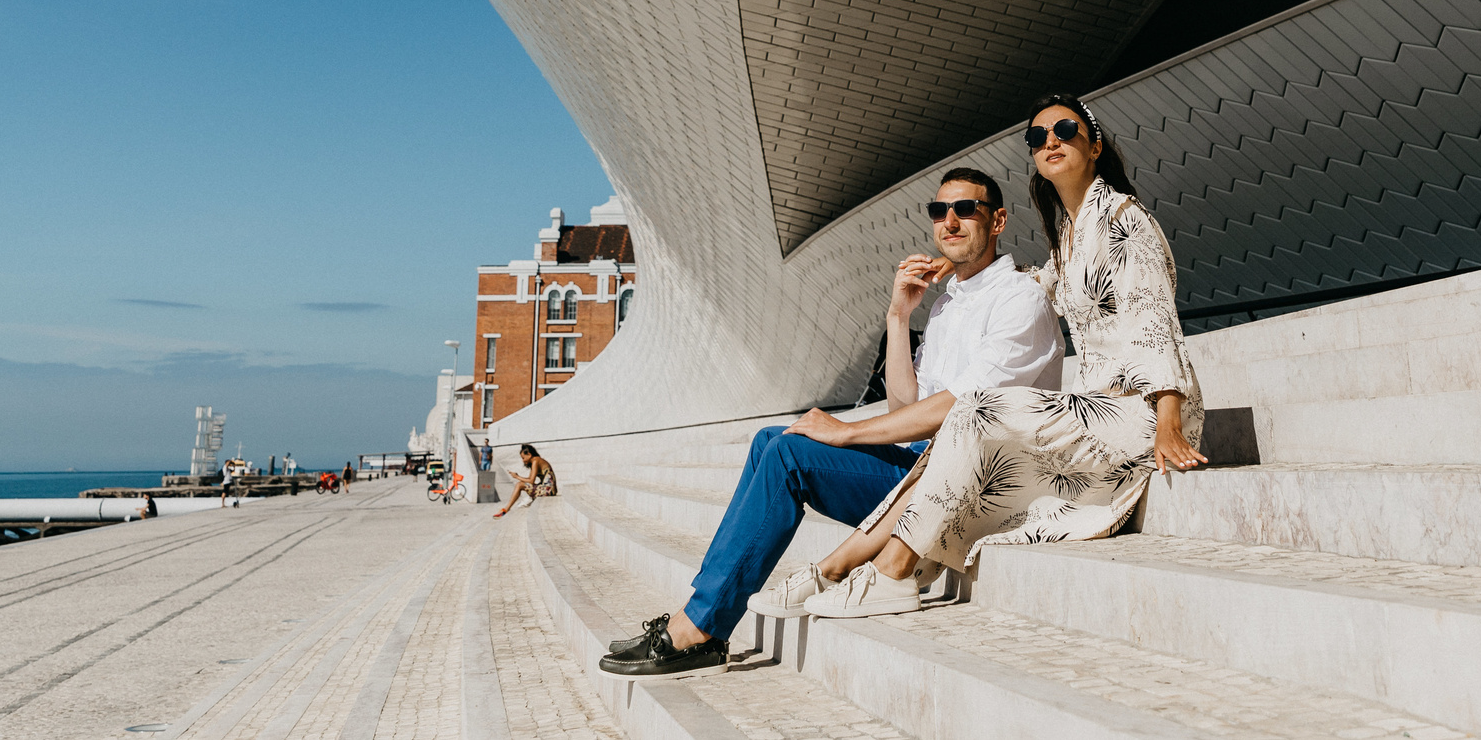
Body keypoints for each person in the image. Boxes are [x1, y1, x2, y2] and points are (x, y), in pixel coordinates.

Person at [603, 169, 1061, 676]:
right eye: (939, 211)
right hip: (919, 469)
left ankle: (701, 627)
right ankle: (704, 612)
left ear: (996, 219)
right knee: (768, 440)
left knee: (789, 455)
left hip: (962, 482)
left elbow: (962, 406)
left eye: (965, 209)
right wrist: (897, 317)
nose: (949, 222)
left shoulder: (1020, 297)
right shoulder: (948, 303)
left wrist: (846, 431)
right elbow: (903, 409)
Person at [799, 94, 1206, 620]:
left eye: (1064, 130)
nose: (1051, 142)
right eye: (1038, 138)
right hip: (1099, 406)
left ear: (1096, 145)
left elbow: (1155, 319)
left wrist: (1168, 418)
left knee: (974, 407)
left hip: (1142, 411)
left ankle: (890, 572)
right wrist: (967, 275)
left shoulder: (1124, 218)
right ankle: (863, 566)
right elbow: (1058, 284)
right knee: (969, 422)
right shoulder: (1072, 230)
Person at [493, 444, 557, 516]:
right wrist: (518, 477)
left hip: (548, 490)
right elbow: (529, 479)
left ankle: (507, 508)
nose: (523, 460)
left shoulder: (536, 460)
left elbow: (531, 481)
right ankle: (510, 507)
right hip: (548, 489)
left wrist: (517, 477)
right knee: (520, 484)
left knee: (519, 485)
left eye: (523, 458)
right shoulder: (535, 461)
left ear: (529, 455)